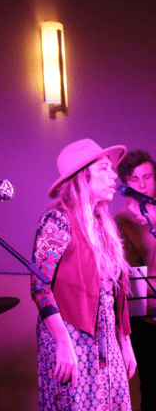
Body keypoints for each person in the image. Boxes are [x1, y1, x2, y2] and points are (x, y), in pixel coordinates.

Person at [30, 138, 137, 410]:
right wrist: (63, 343)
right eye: (104, 168)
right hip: (71, 337)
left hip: (106, 340)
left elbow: (115, 290)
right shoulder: (58, 221)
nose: (114, 175)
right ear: (82, 176)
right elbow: (40, 287)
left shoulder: (104, 225)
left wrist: (125, 341)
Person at [115, 150, 156, 411]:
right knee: (152, 386)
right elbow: (132, 277)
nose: (142, 185)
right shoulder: (122, 221)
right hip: (148, 317)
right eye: (134, 179)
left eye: (148, 177)